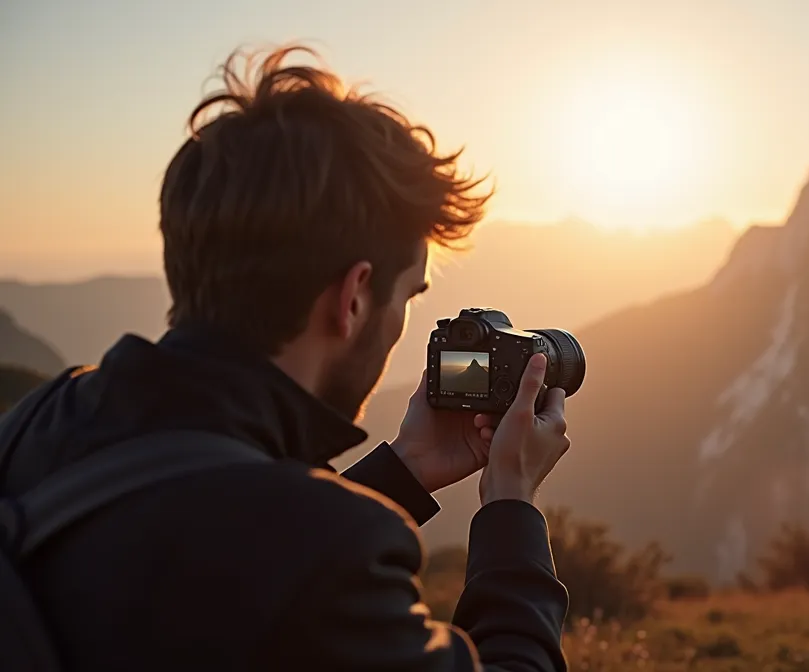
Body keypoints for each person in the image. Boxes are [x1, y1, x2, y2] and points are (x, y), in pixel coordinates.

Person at [0, 44, 571, 671]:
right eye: (408, 295)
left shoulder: (38, 425)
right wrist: (511, 505)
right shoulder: (328, 554)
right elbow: (281, 556)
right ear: (353, 297)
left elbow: (228, 547)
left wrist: (406, 470)